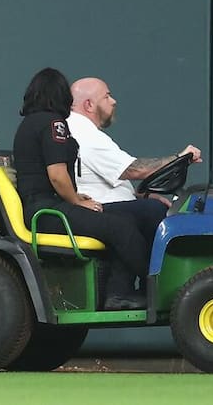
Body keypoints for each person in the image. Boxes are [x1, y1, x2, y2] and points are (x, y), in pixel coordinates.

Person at [12, 68, 147, 310]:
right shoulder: (53, 124)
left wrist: (76, 198)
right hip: (48, 212)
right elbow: (56, 175)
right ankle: (148, 284)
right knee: (122, 226)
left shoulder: (28, 125)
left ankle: (119, 292)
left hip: (41, 208)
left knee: (123, 218)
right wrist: (76, 201)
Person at [67, 77, 203, 245]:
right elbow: (134, 170)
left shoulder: (82, 130)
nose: (113, 101)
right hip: (96, 208)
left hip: (105, 205)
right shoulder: (85, 134)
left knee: (153, 205)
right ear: (89, 105)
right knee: (154, 211)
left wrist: (141, 195)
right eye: (107, 97)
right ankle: (157, 270)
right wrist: (179, 158)